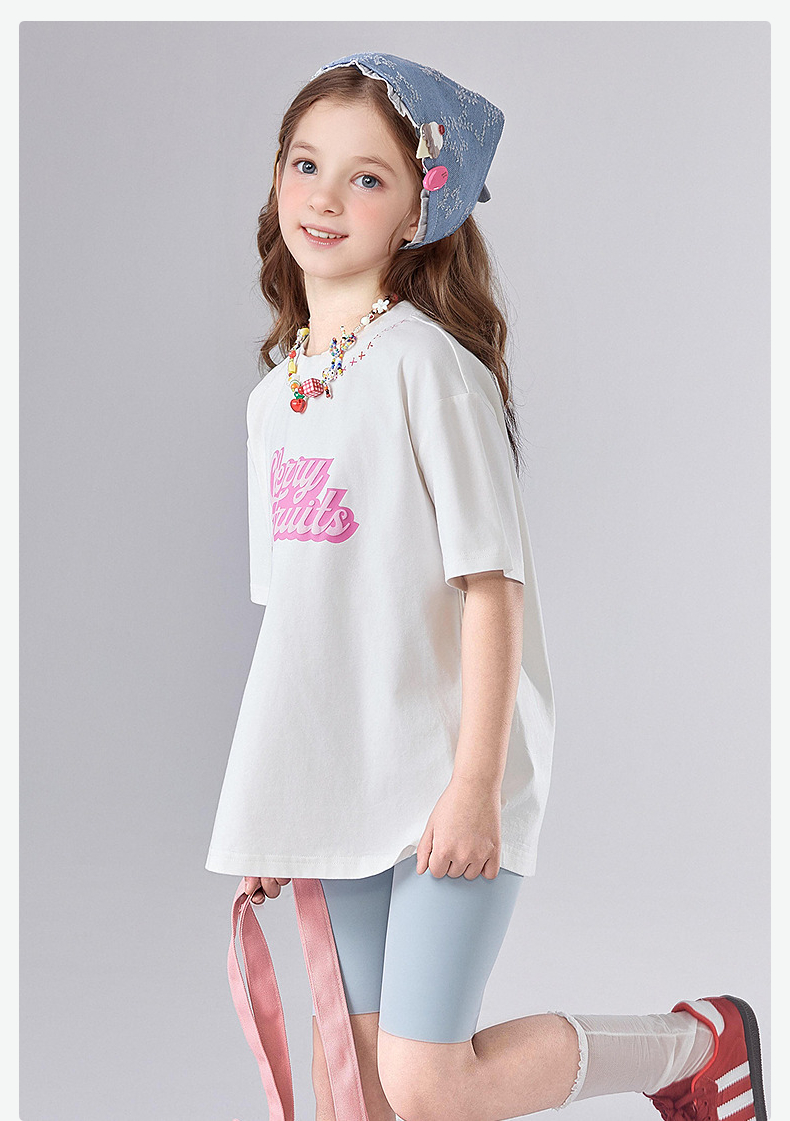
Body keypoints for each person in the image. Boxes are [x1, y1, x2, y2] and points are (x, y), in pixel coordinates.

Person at [205, 52, 767, 1121]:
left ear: (422, 208)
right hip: (342, 782)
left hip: (448, 771)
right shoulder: (275, 400)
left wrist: (473, 784)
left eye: (367, 177)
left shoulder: (429, 369)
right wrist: (279, 811)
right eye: (306, 164)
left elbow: (490, 589)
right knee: (349, 1080)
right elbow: (299, 628)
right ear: (275, 177)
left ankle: (697, 1047)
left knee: (424, 1080)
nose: (325, 197)